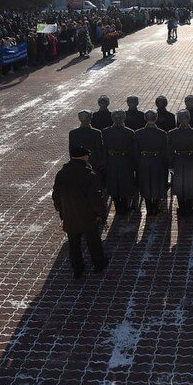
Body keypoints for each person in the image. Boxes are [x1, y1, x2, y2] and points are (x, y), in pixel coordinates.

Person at [51, 144, 109, 278]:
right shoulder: (88, 174)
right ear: (83, 157)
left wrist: (61, 211)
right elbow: (95, 198)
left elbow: (56, 195)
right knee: (93, 242)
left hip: (70, 215)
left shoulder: (62, 173)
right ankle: (99, 265)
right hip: (87, 215)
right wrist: (101, 213)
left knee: (74, 244)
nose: (88, 157)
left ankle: (77, 269)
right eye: (86, 155)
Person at [134, 110, 169, 215]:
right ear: (156, 118)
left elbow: (136, 151)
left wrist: (137, 164)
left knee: (145, 184)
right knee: (157, 183)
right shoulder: (162, 133)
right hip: (157, 160)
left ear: (145, 118)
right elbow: (165, 151)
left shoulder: (138, 133)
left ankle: (149, 208)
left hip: (144, 161)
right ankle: (155, 206)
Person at [103, 110, 138, 215]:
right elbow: (132, 150)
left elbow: (104, 149)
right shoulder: (130, 132)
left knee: (114, 183)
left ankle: (118, 206)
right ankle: (123, 206)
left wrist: (105, 162)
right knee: (124, 183)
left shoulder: (105, 131)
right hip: (125, 160)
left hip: (112, 160)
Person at [169, 109, 193, 216]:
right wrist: (170, 165)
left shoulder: (174, 133)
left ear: (189, 118)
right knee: (181, 184)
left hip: (185, 160)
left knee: (188, 183)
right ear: (178, 119)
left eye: (185, 118)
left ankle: (187, 206)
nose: (183, 120)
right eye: (181, 118)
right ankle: (183, 206)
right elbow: (169, 150)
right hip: (184, 160)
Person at [69, 110, 105, 178]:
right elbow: (99, 150)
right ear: (90, 119)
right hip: (93, 162)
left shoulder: (73, 133)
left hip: (77, 161)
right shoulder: (97, 133)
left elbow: (71, 149)